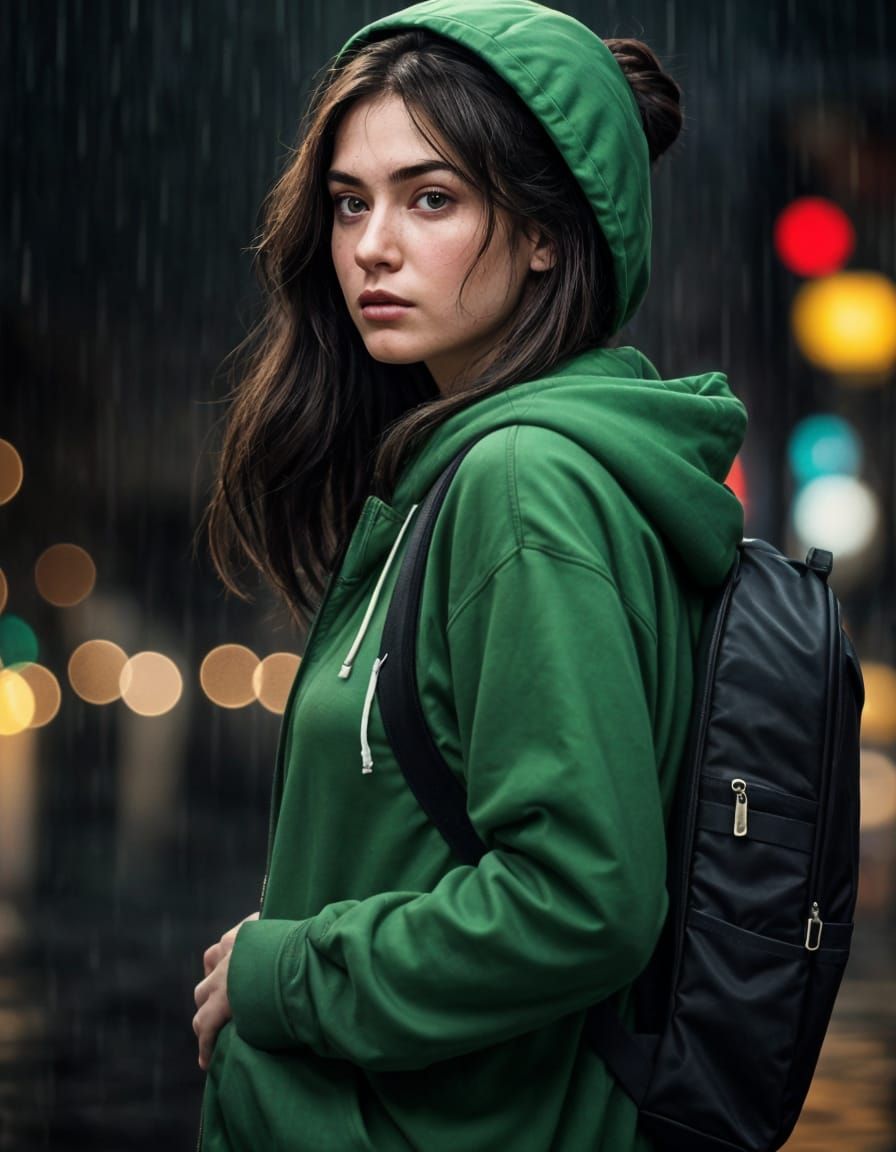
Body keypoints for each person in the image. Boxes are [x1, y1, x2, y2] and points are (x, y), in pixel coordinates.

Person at [194, 1, 747, 1149]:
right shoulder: (473, 472)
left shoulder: (520, 483)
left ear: (546, 230)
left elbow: (579, 905)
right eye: (350, 202)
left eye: (429, 198)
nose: (369, 247)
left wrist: (281, 971)